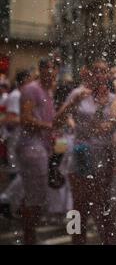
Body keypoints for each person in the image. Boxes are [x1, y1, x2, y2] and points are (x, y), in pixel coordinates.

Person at [54, 60, 116, 245]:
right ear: (89, 73)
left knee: (105, 210)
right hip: (81, 156)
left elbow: (111, 126)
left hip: (105, 158)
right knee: (79, 208)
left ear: (108, 75)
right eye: (96, 71)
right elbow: (56, 121)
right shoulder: (78, 94)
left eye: (104, 71)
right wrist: (73, 103)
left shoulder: (114, 99)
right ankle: (76, 241)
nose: (100, 75)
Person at [17, 58, 58, 244]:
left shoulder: (48, 91)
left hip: (41, 148)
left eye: (54, 68)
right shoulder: (31, 89)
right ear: (40, 70)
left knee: (37, 197)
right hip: (31, 148)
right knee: (34, 198)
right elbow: (25, 118)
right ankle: (29, 237)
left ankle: (30, 236)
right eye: (47, 68)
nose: (51, 72)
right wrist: (48, 125)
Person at [0, 70, 32, 219]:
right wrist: (30, 120)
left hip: (23, 138)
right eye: (30, 80)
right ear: (23, 81)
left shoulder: (23, 95)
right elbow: (10, 118)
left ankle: (12, 203)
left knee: (24, 173)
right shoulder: (16, 96)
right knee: (21, 172)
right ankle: (7, 201)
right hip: (17, 138)